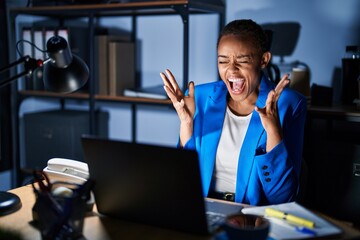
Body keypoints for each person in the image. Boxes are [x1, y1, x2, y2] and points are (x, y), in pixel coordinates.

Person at [160, 19, 307, 206]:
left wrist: (273, 131)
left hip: (251, 218)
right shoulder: (200, 97)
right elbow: (183, 181)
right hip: (202, 209)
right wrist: (186, 125)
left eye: (243, 60)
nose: (231, 69)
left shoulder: (290, 104)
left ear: (263, 60)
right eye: (223, 60)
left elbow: (283, 199)